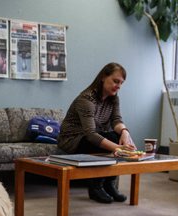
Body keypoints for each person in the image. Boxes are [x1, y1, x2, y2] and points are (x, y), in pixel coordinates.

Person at [57, 62, 136, 204]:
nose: (118, 86)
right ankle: (95, 187)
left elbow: (116, 120)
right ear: (103, 77)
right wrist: (118, 148)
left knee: (117, 136)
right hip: (73, 139)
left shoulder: (114, 98)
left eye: (121, 83)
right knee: (106, 143)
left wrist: (125, 132)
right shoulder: (86, 99)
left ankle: (109, 184)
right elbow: (90, 134)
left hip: (92, 135)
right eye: (115, 81)